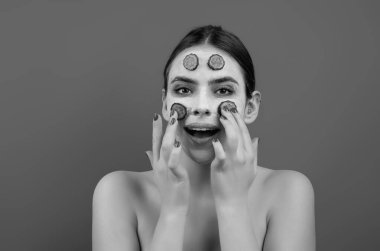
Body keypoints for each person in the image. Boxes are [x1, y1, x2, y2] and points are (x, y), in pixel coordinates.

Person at [92, 25, 316, 251]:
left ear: (250, 107)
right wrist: (172, 211)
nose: (201, 107)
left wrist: (233, 205)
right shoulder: (118, 192)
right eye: (183, 90)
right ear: (166, 104)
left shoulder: (288, 191)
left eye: (223, 91)